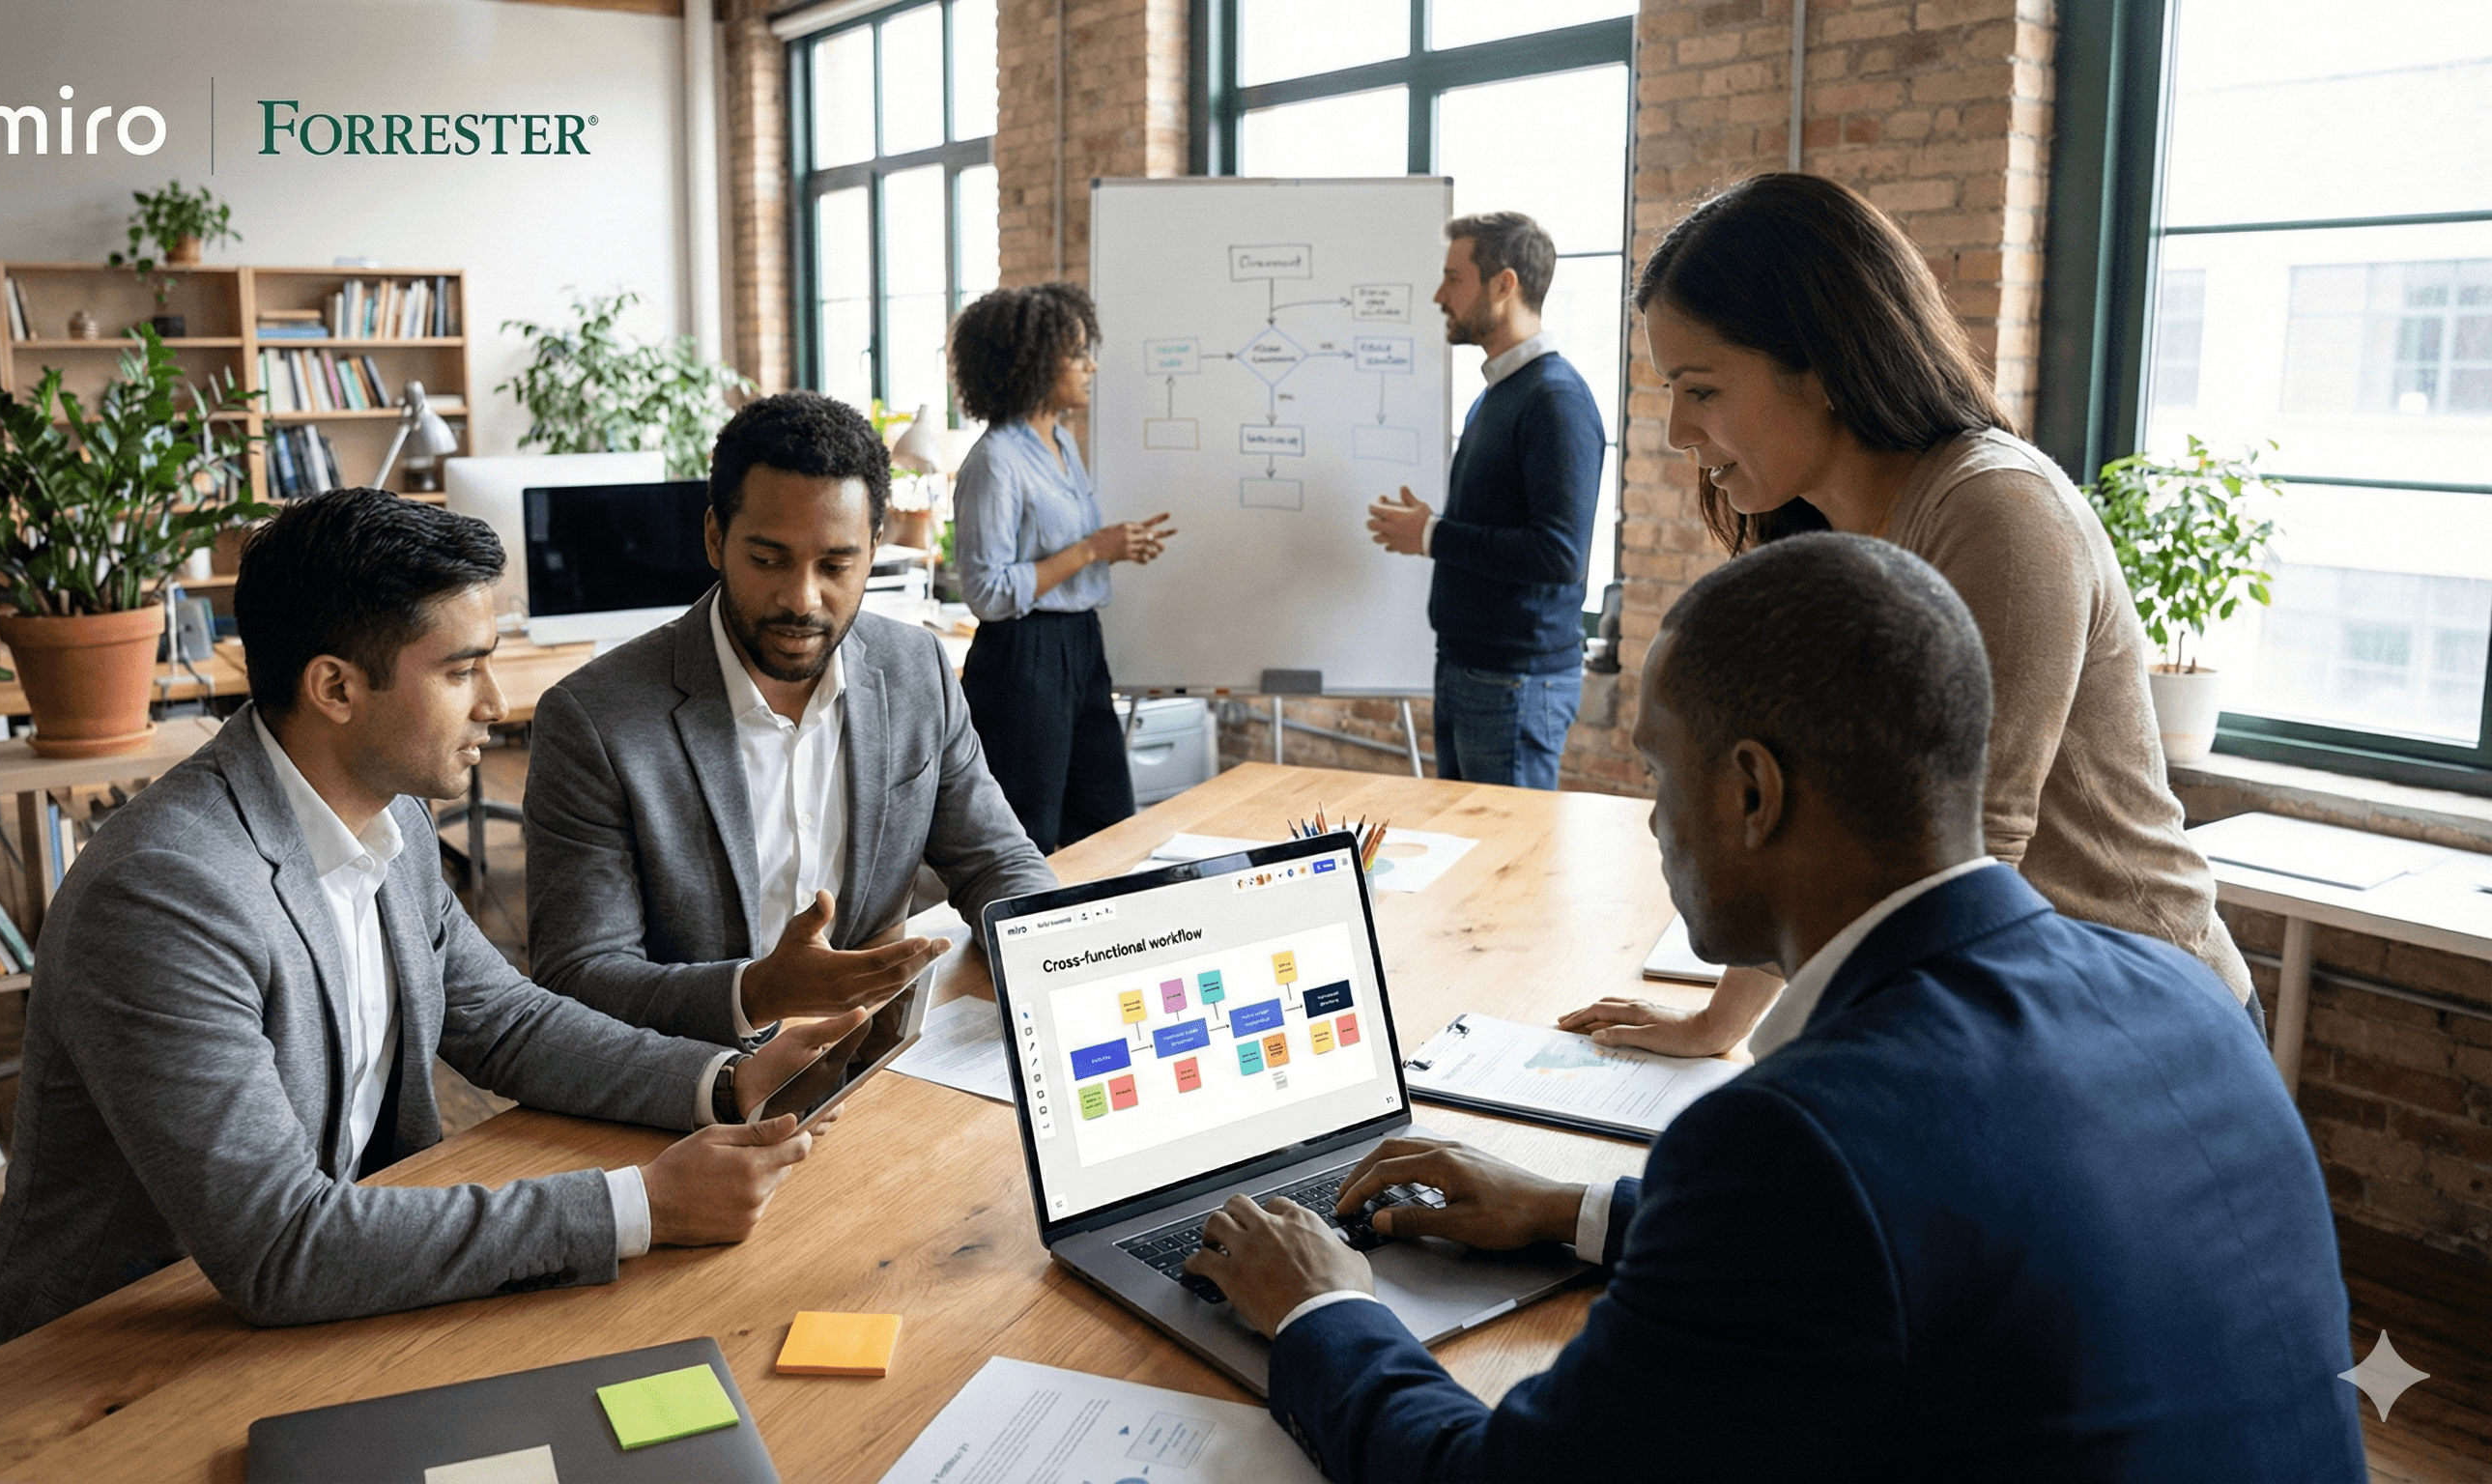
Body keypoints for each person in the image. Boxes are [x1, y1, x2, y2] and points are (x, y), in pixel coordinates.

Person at [1186, 534, 2363, 1481]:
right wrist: (1570, 1209)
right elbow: (1920, 1242)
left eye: (1654, 771)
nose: (1650, 819)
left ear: (1752, 791)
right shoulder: (2182, 995)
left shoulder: (1793, 1142)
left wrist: (1322, 1311)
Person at [0, 489, 866, 1357]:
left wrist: (727, 1080)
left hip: (341, 1302)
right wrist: (643, 1206)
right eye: (461, 669)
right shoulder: (168, 893)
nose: (494, 706)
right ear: (335, 688)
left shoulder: (387, 816)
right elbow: (279, 1247)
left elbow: (507, 1023)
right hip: (115, 1357)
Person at [1565, 171, 2260, 1057]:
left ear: (1817, 366)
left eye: (1700, 389)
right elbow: (1813, 833)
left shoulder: (1998, 515)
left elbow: (1960, 873)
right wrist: (1718, 1026)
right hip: (2022, 1011)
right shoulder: (1829, 532)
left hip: (2142, 1025)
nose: (1673, 432)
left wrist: (1789, 1098)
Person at [523, 392, 1055, 1047]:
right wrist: (759, 993)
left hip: (870, 1055)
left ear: (874, 549)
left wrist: (1050, 954)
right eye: (768, 560)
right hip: (692, 1075)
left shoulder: (916, 669)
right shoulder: (594, 721)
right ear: (716, 538)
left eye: (836, 565)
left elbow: (995, 858)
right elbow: (576, 975)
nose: (802, 600)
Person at [1363, 211, 1605, 789]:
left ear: (1504, 284)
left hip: (1515, 682)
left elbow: (1559, 554)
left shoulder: (1555, 399)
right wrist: (1433, 529)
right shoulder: (1497, 395)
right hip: (1471, 670)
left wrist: (1431, 534)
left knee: (1505, 863)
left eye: (1454, 278)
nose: (1439, 295)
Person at [950, 281, 1178, 851]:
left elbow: (1068, 550)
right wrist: (1094, 550)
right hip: (1023, 656)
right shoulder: (995, 460)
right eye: (1076, 354)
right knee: (1030, 831)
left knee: (1106, 818)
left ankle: (1103, 940)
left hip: (1080, 643)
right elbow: (986, 591)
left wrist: (1112, 547)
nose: (1091, 367)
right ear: (1030, 363)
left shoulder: (1061, 440)